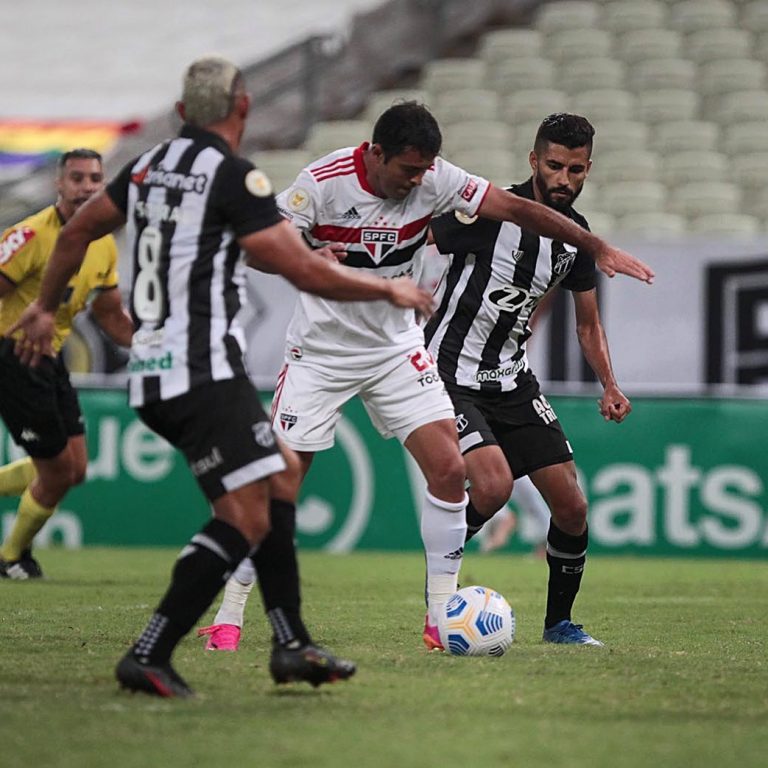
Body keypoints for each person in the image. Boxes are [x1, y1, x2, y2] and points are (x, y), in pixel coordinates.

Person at [9, 56, 436, 698]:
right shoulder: (233, 177)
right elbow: (299, 268)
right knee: (245, 514)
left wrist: (43, 306)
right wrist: (384, 288)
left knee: (279, 478)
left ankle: (290, 641)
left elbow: (79, 229)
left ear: (181, 114)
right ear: (243, 109)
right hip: (200, 365)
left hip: (154, 371)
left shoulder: (148, 167)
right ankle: (155, 650)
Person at [197, 102, 653, 654]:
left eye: (424, 171)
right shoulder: (321, 183)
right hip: (327, 351)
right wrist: (307, 252)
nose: (419, 182)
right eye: (409, 171)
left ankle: (443, 618)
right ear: (376, 154)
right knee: (283, 486)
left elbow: (513, 215)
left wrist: (595, 246)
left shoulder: (441, 181)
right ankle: (229, 616)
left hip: (403, 350)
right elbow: (259, 248)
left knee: (453, 472)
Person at [424, 112, 631, 646]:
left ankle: (559, 625)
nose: (565, 179)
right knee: (491, 487)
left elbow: (588, 323)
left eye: (577, 170)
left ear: (588, 170)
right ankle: (438, 591)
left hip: (511, 381)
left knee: (572, 506)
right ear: (534, 160)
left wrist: (609, 382)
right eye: (556, 165)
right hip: (449, 372)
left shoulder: (576, 238)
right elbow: (420, 236)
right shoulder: (487, 213)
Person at [0, 148, 133, 579]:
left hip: (49, 357)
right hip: (14, 356)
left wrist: (153, 347)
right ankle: (11, 557)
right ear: (59, 184)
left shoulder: (103, 242)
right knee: (56, 472)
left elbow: (111, 314)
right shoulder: (31, 235)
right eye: (77, 178)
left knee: (74, 468)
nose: (87, 187)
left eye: (95, 178)